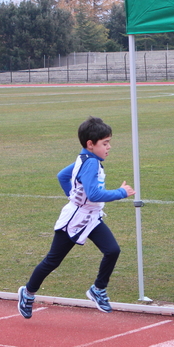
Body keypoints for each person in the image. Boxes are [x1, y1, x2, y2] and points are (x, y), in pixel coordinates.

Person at [17, 117, 135, 319]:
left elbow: (62, 176)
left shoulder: (85, 159)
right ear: (90, 144)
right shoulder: (90, 164)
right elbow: (95, 195)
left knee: (112, 250)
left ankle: (98, 289)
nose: (109, 147)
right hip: (74, 220)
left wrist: (73, 196)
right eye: (105, 143)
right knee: (52, 261)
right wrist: (121, 192)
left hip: (91, 217)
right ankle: (27, 293)